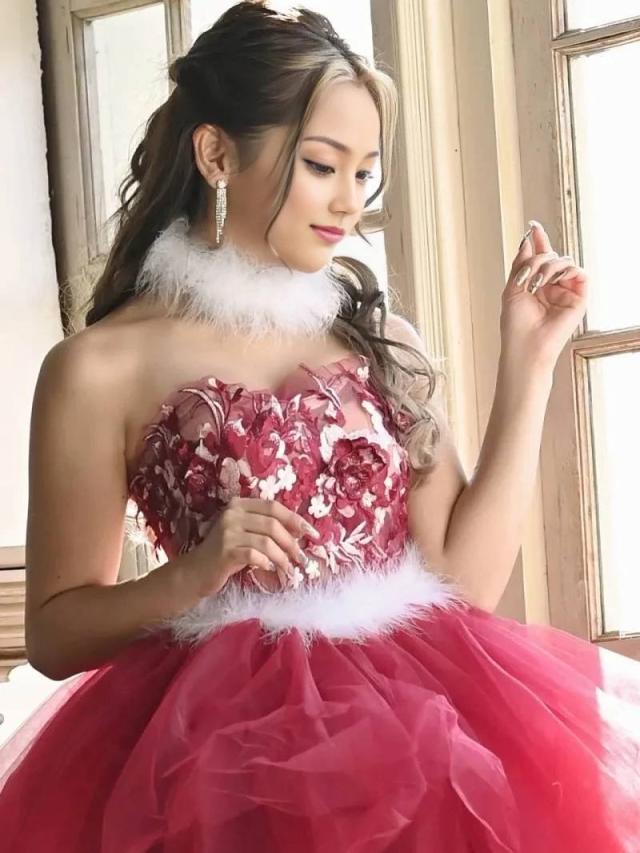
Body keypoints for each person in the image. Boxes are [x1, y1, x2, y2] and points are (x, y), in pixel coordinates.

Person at [1, 2, 639, 850]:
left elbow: (464, 584)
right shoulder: (98, 368)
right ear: (216, 154)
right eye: (321, 165)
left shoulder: (378, 341)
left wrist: (530, 362)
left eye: (365, 173)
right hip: (208, 765)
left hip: (420, 740)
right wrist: (192, 576)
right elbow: (54, 633)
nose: (349, 201)